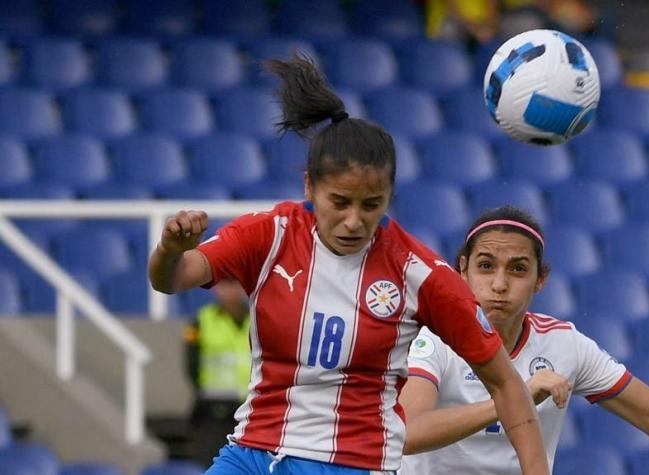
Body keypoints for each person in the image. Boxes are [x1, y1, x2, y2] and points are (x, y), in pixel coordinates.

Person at [148, 54, 549, 475]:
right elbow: (171, 279)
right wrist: (171, 249)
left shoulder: (419, 274)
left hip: (352, 465)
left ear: (389, 197)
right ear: (309, 186)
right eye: (339, 202)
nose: (354, 220)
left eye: (371, 205)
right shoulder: (270, 235)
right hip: (251, 454)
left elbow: (505, 382)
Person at [399, 205, 649, 475]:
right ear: (461, 270)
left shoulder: (565, 345)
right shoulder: (433, 338)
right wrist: (516, 396)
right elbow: (408, 433)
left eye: (518, 269)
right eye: (485, 266)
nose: (499, 284)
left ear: (540, 280)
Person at [183, 278, 251, 466]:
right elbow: (192, 365)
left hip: (250, 409)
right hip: (213, 412)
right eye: (224, 285)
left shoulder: (259, 317)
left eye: (234, 284)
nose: (229, 291)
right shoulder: (202, 320)